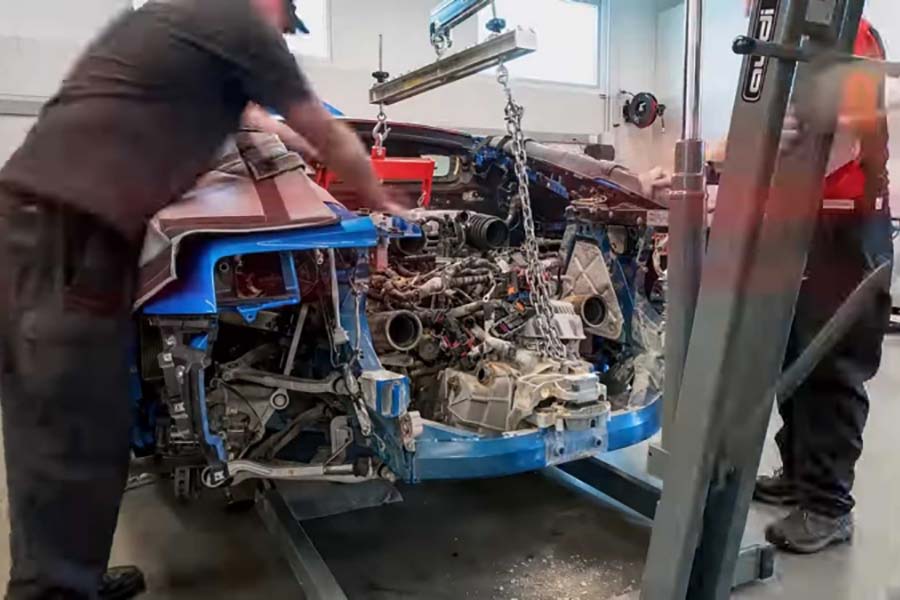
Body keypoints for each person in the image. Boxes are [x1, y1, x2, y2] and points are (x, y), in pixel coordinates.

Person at [0, 0, 396, 597]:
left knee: (84, 433)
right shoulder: (235, 24)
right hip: (58, 246)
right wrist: (381, 201)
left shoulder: (178, 31)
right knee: (64, 436)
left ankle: (73, 576)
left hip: (54, 234)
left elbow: (259, 121)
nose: (284, 37)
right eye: (286, 25)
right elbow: (317, 131)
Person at [752, 18, 893, 554]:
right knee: (794, 356)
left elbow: (846, 133)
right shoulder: (797, 32)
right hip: (809, 222)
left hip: (846, 224)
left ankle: (830, 507)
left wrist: (775, 150)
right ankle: (798, 476)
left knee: (831, 367)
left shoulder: (845, 27)